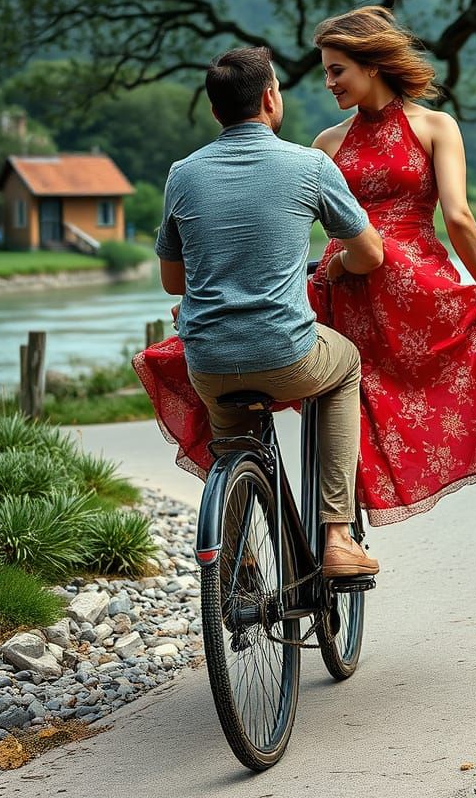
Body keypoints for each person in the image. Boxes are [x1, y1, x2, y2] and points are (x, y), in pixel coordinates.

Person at [307, 5, 476, 525]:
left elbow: (459, 217)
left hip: (379, 281)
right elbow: (457, 216)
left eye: (337, 70)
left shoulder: (390, 133)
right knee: (361, 397)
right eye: (325, 73)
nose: (329, 83)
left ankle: (331, 527)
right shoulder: (344, 140)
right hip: (363, 282)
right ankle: (330, 528)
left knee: (354, 398)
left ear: (372, 64)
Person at [134, 46, 384, 578]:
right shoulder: (309, 164)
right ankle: (338, 535)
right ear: (270, 97)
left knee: (235, 438)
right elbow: (370, 253)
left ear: (215, 112)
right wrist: (334, 269)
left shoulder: (183, 173)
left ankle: (236, 556)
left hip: (209, 361)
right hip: (287, 354)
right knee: (345, 365)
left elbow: (172, 281)